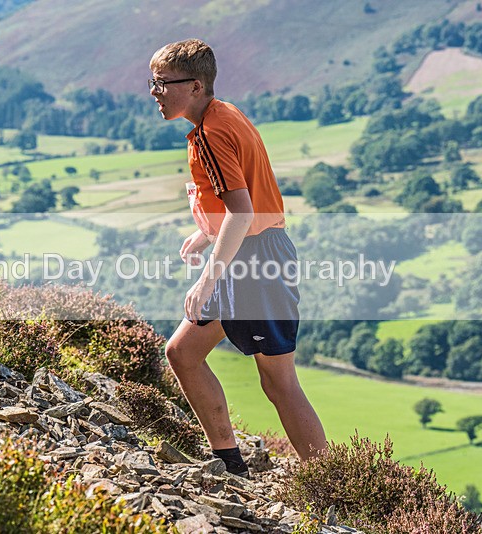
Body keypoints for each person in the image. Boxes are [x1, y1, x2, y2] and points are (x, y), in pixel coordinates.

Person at [148, 39, 326, 476]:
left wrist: (208, 277)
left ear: (193, 86)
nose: (154, 92)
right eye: (152, 82)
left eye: (161, 83)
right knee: (182, 354)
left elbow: (244, 211)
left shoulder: (211, 133)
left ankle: (337, 487)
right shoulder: (224, 114)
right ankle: (229, 465)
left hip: (256, 262)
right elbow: (241, 201)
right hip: (246, 253)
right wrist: (206, 232)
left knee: (280, 384)